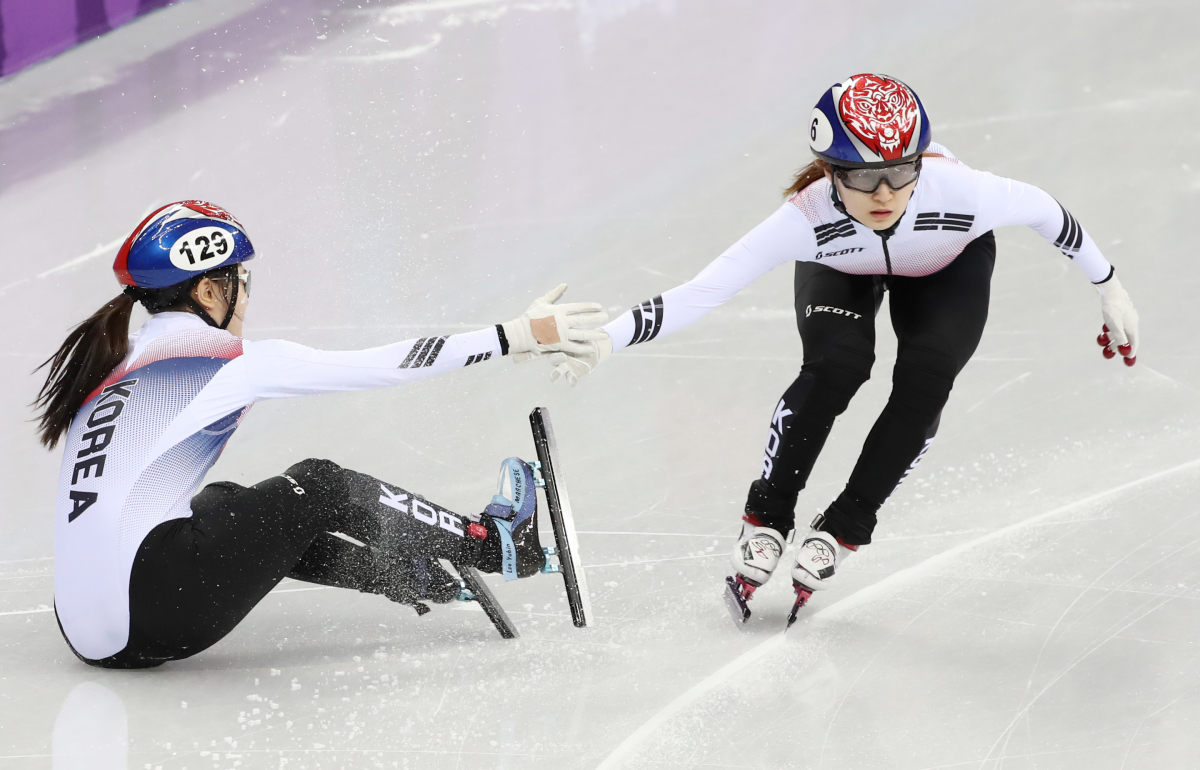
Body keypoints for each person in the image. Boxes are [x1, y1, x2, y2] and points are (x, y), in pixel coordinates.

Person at [545, 73, 1140, 618]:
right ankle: (768, 515)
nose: (884, 193)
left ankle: (847, 525)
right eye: (861, 176)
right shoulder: (803, 219)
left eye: (901, 171)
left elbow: (1051, 215)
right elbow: (702, 292)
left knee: (928, 376)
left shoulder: (962, 192)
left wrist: (1110, 290)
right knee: (838, 364)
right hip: (842, 266)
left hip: (946, 262)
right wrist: (607, 339)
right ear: (830, 171)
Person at [34, 200, 608, 668]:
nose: (248, 297)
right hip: (158, 609)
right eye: (241, 281)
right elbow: (389, 363)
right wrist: (517, 335)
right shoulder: (227, 358)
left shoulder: (114, 366)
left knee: (228, 502)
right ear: (209, 292)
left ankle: (398, 573)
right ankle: (500, 546)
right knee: (317, 485)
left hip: (89, 633)